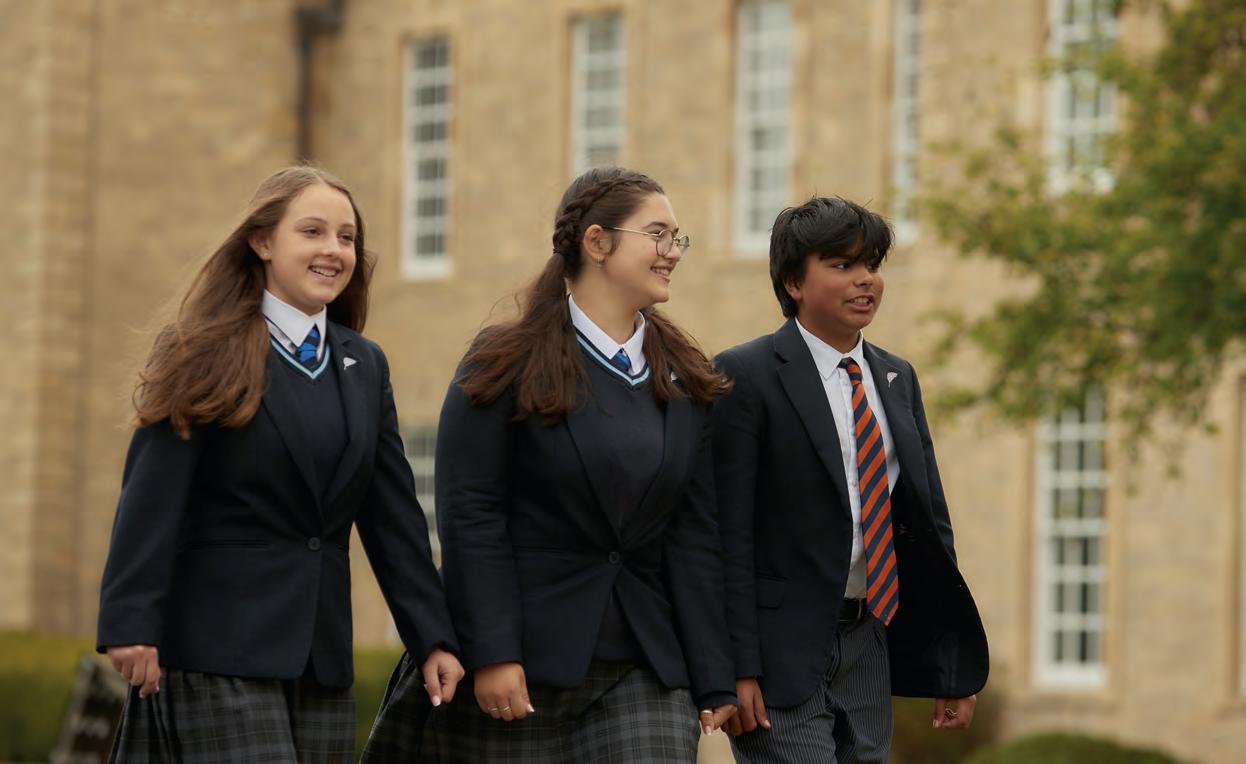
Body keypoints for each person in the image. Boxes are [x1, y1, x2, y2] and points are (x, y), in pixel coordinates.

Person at [363, 166, 737, 763]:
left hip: (644, 664)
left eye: (677, 238)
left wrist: (714, 675)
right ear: (597, 242)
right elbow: (472, 514)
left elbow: (693, 535)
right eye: (658, 235)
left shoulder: (687, 378)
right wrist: (493, 651)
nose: (672, 251)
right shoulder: (504, 360)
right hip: (523, 663)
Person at [97, 165, 463, 763]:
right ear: (262, 242)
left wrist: (432, 637)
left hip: (320, 659)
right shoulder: (199, 349)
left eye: (347, 237)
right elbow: (152, 496)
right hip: (218, 648)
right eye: (313, 232)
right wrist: (130, 620)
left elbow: (393, 520)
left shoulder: (365, 366)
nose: (334, 250)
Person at [711, 196, 988, 763]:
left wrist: (952, 662)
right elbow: (726, 532)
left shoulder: (897, 378)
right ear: (794, 282)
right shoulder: (745, 374)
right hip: (778, 655)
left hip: (868, 643)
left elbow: (929, 525)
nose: (866, 280)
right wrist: (735, 665)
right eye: (842, 265)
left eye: (872, 265)